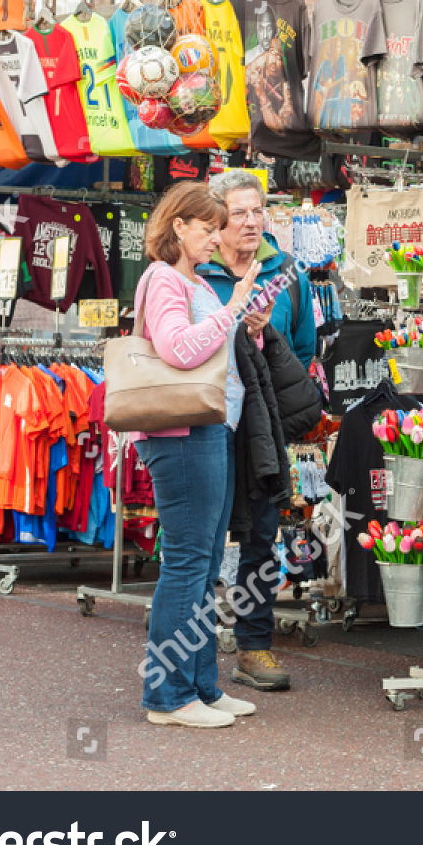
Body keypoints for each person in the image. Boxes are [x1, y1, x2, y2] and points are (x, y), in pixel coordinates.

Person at [135, 182, 260, 729]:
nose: (217, 238)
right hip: (181, 432)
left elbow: (204, 342)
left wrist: (242, 320)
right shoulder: (164, 278)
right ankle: (168, 697)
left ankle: (201, 686)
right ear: (178, 226)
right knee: (188, 563)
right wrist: (231, 309)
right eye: (208, 229)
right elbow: (179, 349)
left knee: (203, 562)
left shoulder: (184, 279)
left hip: (207, 428)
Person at [199, 167, 319, 692]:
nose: (251, 222)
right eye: (239, 213)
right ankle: (195, 650)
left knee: (262, 536)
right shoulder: (196, 270)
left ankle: (254, 646)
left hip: (263, 423)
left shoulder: (287, 270)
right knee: (203, 533)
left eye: (257, 210)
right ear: (217, 220)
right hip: (207, 417)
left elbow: (306, 349)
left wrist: (265, 335)